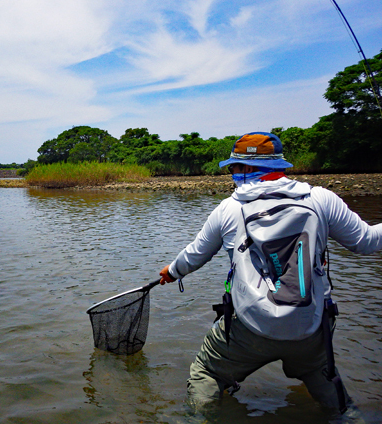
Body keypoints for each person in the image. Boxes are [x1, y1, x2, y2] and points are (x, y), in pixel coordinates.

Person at [158, 131, 382, 411]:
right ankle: (348, 415)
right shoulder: (322, 199)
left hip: (251, 328)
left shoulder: (229, 209)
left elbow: (195, 255)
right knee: (325, 380)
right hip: (310, 327)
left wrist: (172, 271)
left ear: (248, 169)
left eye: (234, 168)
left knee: (207, 371)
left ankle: (198, 418)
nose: (232, 175)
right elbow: (367, 242)